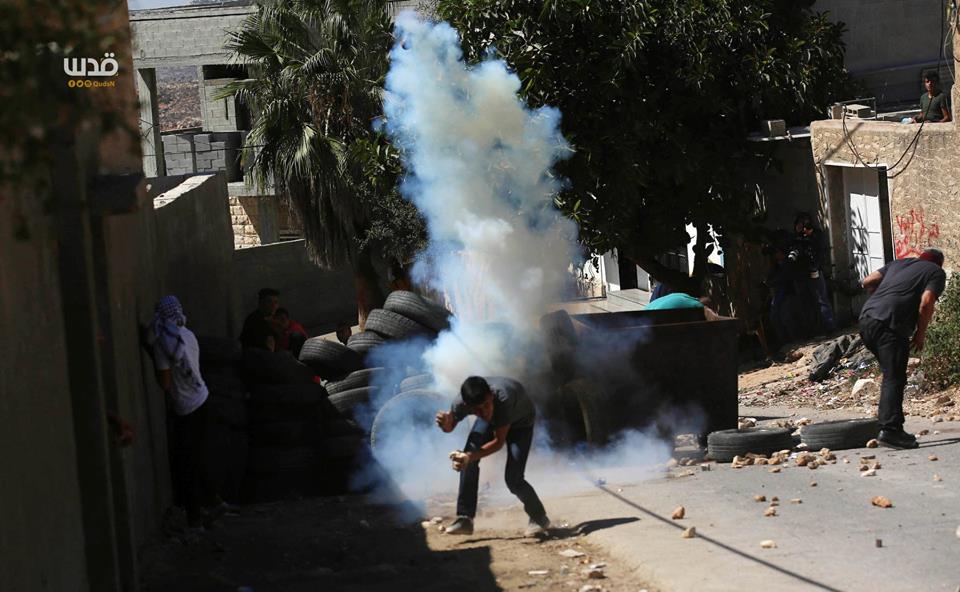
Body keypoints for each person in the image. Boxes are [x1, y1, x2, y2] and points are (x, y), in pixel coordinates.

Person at [435, 376, 550, 536]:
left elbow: (498, 442)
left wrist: (469, 457)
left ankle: (539, 517)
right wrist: (446, 424)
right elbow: (450, 426)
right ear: (467, 406)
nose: (483, 412)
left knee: (513, 479)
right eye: (476, 410)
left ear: (491, 396)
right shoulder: (461, 403)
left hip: (521, 422)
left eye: (486, 405)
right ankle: (465, 518)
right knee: (467, 455)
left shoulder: (504, 398)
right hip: (495, 419)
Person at [859, 248, 946, 449]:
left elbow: (867, 281)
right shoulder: (935, 272)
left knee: (892, 375)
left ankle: (890, 424)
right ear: (939, 263)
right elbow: (926, 303)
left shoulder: (898, 264)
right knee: (894, 377)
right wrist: (920, 334)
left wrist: (883, 297)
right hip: (890, 324)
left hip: (866, 320)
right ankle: (890, 430)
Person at [150, 295, 215, 527]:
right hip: (202, 398)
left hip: (186, 409)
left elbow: (166, 384)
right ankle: (209, 506)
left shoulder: (162, 345)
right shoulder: (188, 335)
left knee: (187, 464)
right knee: (197, 459)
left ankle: (195, 515)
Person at [789, 213, 835, 335]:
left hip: (814, 271)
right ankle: (810, 330)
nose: (803, 229)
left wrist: (815, 266)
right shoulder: (796, 239)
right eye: (799, 226)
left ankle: (829, 327)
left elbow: (821, 253)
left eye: (805, 226)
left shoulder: (817, 237)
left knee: (821, 299)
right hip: (800, 274)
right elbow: (793, 252)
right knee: (805, 302)